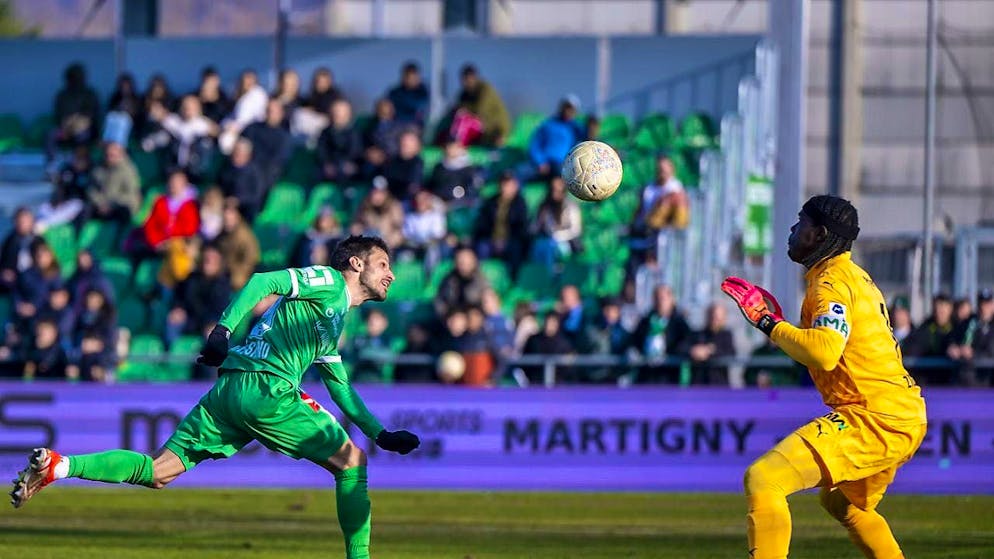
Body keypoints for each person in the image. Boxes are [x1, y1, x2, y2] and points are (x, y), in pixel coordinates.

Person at [11, 236, 421, 559]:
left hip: (230, 391)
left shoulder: (332, 320)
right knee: (352, 463)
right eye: (384, 264)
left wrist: (380, 433)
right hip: (268, 389)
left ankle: (61, 466)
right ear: (356, 264)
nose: (391, 274)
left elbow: (340, 386)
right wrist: (223, 330)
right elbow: (263, 281)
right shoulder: (328, 282)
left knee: (159, 471)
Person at [720, 194, 926, 559]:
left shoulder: (831, 282)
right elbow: (827, 347)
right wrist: (783, 326)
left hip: (873, 417)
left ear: (820, 235)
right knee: (844, 504)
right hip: (904, 414)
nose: (792, 229)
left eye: (801, 223)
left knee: (764, 478)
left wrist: (767, 323)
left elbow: (824, 352)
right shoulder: (853, 276)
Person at [473, 171, 529, 279]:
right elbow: (482, 224)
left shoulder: (520, 203)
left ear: (515, 186)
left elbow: (521, 227)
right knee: (482, 247)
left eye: (508, 184)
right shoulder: (491, 202)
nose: (505, 188)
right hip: (491, 240)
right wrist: (494, 240)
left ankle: (513, 280)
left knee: (515, 249)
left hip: (511, 240)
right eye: (503, 184)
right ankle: (480, 278)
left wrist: (505, 241)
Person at [632, 284, 691, 383]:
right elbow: (635, 341)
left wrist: (671, 353)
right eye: (657, 298)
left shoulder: (679, 323)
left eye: (663, 298)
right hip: (647, 377)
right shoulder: (645, 321)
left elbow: (686, 343)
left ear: (671, 299)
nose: (660, 302)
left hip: (669, 377)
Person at [526, 96, 585, 182]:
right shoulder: (548, 125)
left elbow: (585, 142)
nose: (568, 111)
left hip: (563, 165)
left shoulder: (576, 128)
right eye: (566, 107)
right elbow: (535, 146)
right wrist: (540, 162)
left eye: (571, 109)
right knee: (517, 174)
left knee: (559, 178)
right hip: (543, 164)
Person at [902, 293, 956, 385]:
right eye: (937, 308)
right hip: (929, 380)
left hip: (953, 382)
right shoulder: (926, 328)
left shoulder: (957, 328)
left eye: (943, 309)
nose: (940, 312)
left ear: (950, 309)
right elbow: (915, 347)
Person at [530, 175, 582, 268]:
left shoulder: (570, 206)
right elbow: (534, 228)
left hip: (566, 242)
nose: (555, 192)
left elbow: (575, 230)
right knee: (539, 247)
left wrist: (559, 235)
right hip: (547, 240)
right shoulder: (544, 207)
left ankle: (556, 272)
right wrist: (540, 222)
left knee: (557, 248)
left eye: (559, 190)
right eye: (553, 189)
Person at [452, 65, 510, 147]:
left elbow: (480, 111)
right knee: (459, 118)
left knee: (464, 119)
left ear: (474, 78)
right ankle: (454, 144)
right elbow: (457, 108)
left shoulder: (485, 90)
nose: (465, 83)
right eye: (463, 80)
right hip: (482, 125)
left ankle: (457, 145)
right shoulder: (464, 93)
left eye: (467, 79)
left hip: (495, 127)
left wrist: (464, 110)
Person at [240, 98, 293, 188]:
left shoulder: (284, 138)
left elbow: (278, 161)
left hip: (265, 174)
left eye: (273, 111)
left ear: (281, 114)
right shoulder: (252, 128)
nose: (270, 114)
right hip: (245, 169)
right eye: (268, 110)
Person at [679, 303, 736, 385]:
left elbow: (731, 353)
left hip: (720, 385)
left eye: (717, 318)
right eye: (712, 316)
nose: (714, 320)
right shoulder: (697, 334)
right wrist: (693, 351)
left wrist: (710, 352)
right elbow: (681, 348)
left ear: (724, 319)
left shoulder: (726, 336)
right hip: (698, 385)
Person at [88, 142, 142, 226]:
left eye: (112, 155)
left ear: (120, 154)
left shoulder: (128, 170)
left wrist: (110, 204)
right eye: (107, 155)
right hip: (102, 205)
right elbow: (91, 188)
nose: (109, 158)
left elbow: (133, 194)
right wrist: (100, 203)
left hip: (119, 206)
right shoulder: (99, 167)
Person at [217, 138, 266, 222]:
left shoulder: (255, 172)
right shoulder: (226, 166)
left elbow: (256, 194)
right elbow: (219, 184)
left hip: (244, 209)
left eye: (239, 153)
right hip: (225, 203)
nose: (236, 156)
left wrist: (238, 200)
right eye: (235, 152)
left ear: (247, 155)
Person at [215, 203, 260, 291]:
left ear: (237, 217)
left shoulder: (244, 237)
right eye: (225, 219)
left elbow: (250, 260)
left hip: (237, 279)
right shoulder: (222, 235)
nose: (227, 221)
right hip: (221, 275)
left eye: (229, 219)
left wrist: (235, 274)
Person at [316, 99, 362, 184]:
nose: (337, 115)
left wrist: (349, 163)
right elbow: (322, 151)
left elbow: (355, 150)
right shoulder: (325, 132)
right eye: (335, 112)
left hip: (347, 165)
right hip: (330, 165)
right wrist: (327, 164)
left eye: (340, 112)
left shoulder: (354, 132)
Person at [426, 137, 481, 203]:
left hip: (456, 203)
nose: (450, 149)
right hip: (435, 200)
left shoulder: (468, 170)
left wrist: (452, 203)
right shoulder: (439, 166)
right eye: (448, 147)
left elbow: (469, 193)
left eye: (454, 147)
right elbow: (431, 185)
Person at [381, 129, 423, 202]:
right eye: (404, 140)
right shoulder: (391, 160)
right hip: (386, 197)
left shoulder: (417, 163)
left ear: (417, 145)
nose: (405, 143)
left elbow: (412, 189)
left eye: (410, 140)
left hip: (404, 201)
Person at [0, 208, 37, 292]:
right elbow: (4, 261)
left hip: (34, 278)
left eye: (24, 222)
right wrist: (4, 271)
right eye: (19, 221)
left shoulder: (39, 240)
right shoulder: (10, 240)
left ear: (31, 221)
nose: (21, 224)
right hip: (14, 279)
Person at [387, 62, 429, 129]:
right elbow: (387, 106)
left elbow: (419, 107)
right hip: (394, 124)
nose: (411, 80)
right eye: (407, 77)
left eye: (413, 77)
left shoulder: (423, 92)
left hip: (414, 126)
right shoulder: (395, 92)